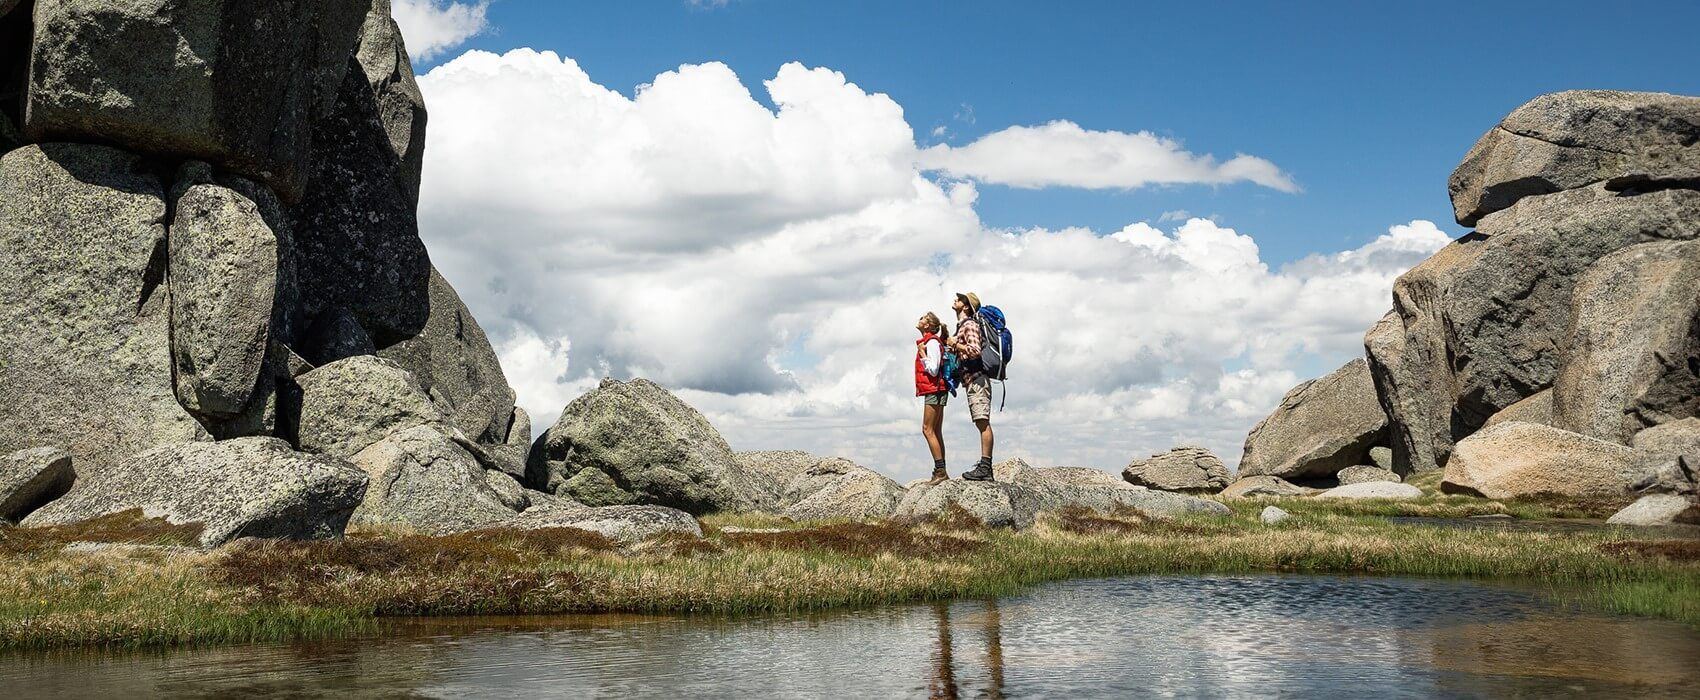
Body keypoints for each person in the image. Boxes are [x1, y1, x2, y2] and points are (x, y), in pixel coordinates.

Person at [947, 292, 995, 481]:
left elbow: (974, 351)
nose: (955, 300)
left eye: (960, 299)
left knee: (982, 422)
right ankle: (985, 466)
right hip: (972, 381)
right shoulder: (962, 327)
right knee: (980, 421)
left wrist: (956, 345)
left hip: (977, 379)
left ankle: (986, 467)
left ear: (966, 307)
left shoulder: (970, 325)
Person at [915, 312, 952, 484]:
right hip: (935, 390)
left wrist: (922, 355)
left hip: (934, 390)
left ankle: (940, 471)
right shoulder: (929, 342)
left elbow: (934, 369)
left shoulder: (931, 343)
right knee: (935, 430)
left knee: (927, 429)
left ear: (928, 325)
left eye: (923, 318)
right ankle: (940, 469)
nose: (919, 319)